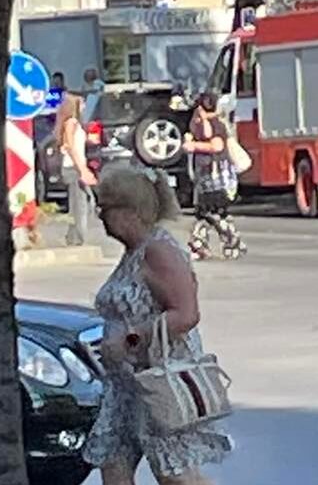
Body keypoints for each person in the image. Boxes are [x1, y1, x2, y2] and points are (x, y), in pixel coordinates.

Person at [85, 167, 233, 484]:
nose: (100, 217)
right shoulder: (134, 251)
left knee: (174, 474)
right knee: (113, 462)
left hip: (158, 381)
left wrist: (130, 340)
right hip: (126, 385)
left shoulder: (158, 250)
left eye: (105, 208)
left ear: (129, 211)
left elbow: (186, 314)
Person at [185, 92, 245, 261]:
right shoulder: (203, 125)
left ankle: (233, 242)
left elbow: (216, 146)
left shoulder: (216, 123)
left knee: (213, 213)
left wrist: (193, 145)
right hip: (205, 177)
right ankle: (200, 246)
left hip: (216, 176)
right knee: (203, 214)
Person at [57, 93, 97, 246]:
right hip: (73, 168)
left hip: (75, 167)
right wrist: (83, 170)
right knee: (80, 205)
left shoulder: (74, 124)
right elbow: (71, 148)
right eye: (82, 103)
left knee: (77, 204)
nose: (84, 106)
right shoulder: (71, 123)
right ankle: (78, 238)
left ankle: (72, 237)